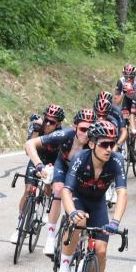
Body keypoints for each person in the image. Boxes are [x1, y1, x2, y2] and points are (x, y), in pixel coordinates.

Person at [57, 121, 128, 272]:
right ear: (91, 144)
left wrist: (115, 222)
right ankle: (64, 268)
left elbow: (122, 193)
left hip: (97, 203)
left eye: (112, 144)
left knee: (101, 251)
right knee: (79, 221)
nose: (109, 149)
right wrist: (72, 212)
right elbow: (66, 191)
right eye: (104, 144)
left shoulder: (117, 160)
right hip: (78, 198)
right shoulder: (80, 158)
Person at [35, 108, 94, 257]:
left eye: (90, 130)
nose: (86, 134)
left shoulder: (94, 143)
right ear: (75, 127)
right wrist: (39, 165)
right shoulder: (65, 135)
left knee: (78, 202)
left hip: (80, 172)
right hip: (63, 164)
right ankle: (50, 238)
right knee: (58, 190)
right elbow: (31, 143)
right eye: (82, 129)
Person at [12, 104, 64, 243]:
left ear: (58, 124)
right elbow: (28, 150)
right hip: (37, 160)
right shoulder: (38, 127)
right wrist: (36, 130)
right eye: (46, 120)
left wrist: (52, 168)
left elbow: (63, 156)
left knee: (48, 184)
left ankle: (46, 204)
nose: (48, 124)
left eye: (52, 122)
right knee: (28, 189)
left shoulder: (61, 134)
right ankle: (19, 227)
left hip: (53, 161)